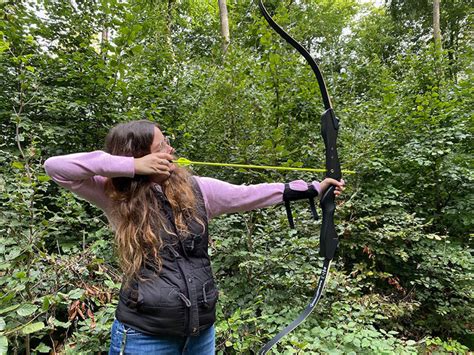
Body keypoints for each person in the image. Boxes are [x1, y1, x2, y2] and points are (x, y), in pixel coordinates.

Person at [44, 120, 344, 355]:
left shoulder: (197, 189)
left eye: (168, 144)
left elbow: (249, 194)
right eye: (162, 146)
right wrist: (132, 168)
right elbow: (56, 167)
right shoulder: (114, 194)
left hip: (200, 331)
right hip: (144, 334)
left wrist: (313, 188)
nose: (170, 151)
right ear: (139, 156)